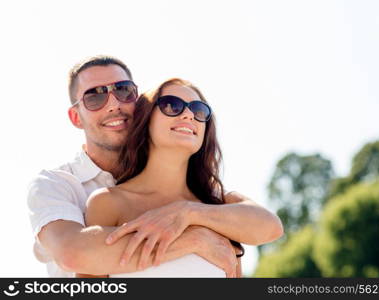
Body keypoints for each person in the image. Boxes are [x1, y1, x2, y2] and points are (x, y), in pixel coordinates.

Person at [27, 55, 284, 277]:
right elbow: (74, 254)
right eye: (94, 97)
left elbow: (269, 227)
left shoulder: (213, 203)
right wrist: (193, 239)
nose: (114, 104)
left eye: (123, 90)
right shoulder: (61, 186)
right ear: (76, 117)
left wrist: (187, 213)